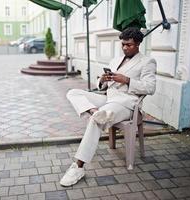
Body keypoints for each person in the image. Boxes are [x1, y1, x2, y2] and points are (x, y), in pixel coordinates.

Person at [60, 27, 157, 187]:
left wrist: (126, 80)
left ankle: (78, 167)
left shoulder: (147, 62)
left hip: (126, 104)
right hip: (108, 99)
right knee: (73, 92)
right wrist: (103, 80)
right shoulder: (115, 60)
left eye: (129, 45)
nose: (125, 48)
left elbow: (150, 88)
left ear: (138, 43)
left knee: (96, 121)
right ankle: (93, 111)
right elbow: (103, 86)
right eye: (123, 44)